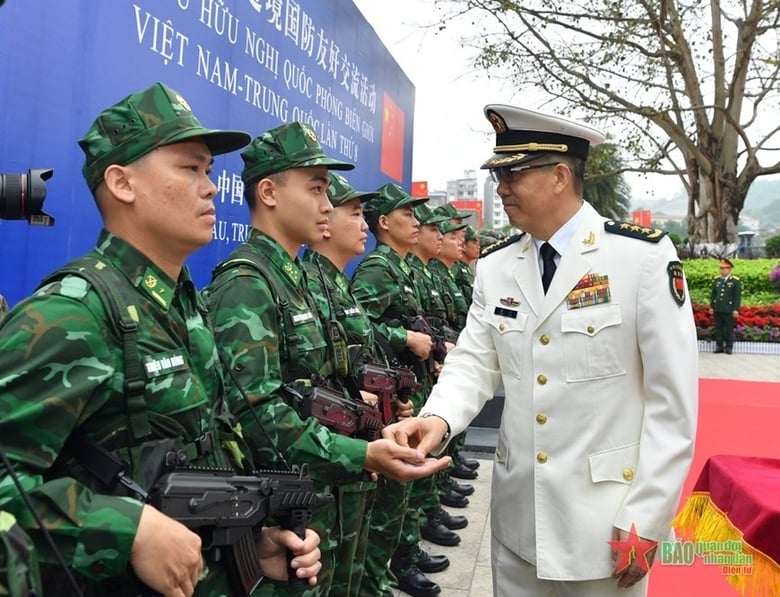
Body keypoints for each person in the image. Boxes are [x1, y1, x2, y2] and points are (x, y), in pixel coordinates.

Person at [0, 82, 323, 596]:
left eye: (209, 171)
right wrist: (124, 531)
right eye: (189, 168)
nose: (211, 187)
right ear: (122, 182)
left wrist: (251, 536)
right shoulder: (73, 315)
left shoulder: (183, 305)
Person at [383, 104, 699, 597]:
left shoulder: (639, 258)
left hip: (607, 524)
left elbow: (672, 404)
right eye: (498, 174)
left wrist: (647, 516)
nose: (502, 186)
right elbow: (475, 361)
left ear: (558, 175)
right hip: (519, 522)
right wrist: (438, 419)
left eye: (514, 173)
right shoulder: (497, 266)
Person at [202, 124, 450, 596]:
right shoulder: (248, 282)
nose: (325, 204)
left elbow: (323, 377)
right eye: (316, 189)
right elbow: (254, 413)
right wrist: (360, 450)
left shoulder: (295, 278)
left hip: (319, 487)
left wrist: (371, 421)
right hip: (281, 507)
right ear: (269, 192)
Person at [350, 184, 445, 597]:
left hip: (407, 386)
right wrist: (403, 337)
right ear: (385, 222)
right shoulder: (377, 267)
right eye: (408, 215)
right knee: (388, 498)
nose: (418, 223)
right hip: (383, 394)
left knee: (404, 488)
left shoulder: (400, 268)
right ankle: (390, 572)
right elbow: (360, 328)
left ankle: (396, 566)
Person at [709, 258, 741, 354]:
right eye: (721, 268)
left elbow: (737, 297)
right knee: (718, 328)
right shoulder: (717, 280)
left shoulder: (735, 281)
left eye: (724, 268)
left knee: (728, 329)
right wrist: (712, 306)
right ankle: (719, 346)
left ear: (729, 269)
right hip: (718, 308)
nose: (722, 270)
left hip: (728, 309)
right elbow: (713, 295)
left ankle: (729, 347)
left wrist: (735, 309)